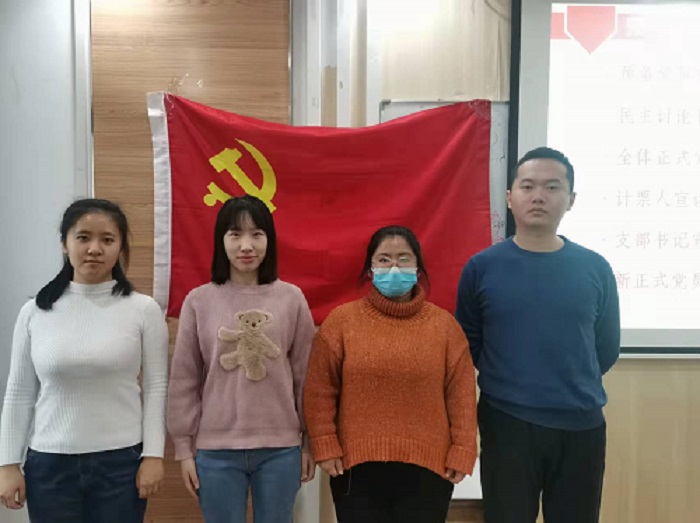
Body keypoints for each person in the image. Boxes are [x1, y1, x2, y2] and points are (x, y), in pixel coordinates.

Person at [456, 147, 621, 523]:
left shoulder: (595, 268)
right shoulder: (481, 268)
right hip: (507, 422)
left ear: (571, 199)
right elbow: (470, 342)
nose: (539, 196)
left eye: (552, 187)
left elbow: (606, 346)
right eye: (527, 186)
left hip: (581, 425)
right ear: (509, 197)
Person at [0, 198, 169, 522]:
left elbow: (157, 387)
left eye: (107, 239)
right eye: (83, 237)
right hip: (49, 466)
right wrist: (7, 464)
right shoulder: (35, 311)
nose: (94, 249)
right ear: (65, 243)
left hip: (121, 465)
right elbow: (19, 392)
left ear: (120, 247)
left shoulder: (143, 309)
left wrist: (153, 455)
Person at [304, 225, 477, 523]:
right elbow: (320, 389)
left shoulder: (445, 327)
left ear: (418, 268)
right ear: (370, 269)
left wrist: (463, 449)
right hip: (355, 468)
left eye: (404, 259)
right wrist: (324, 443)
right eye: (384, 259)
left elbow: (461, 393)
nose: (394, 267)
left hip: (428, 469)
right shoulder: (341, 322)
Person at [167, 195, 316, 523]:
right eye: (235, 234)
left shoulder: (291, 299)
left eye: (256, 234)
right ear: (221, 241)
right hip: (215, 450)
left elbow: (306, 376)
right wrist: (184, 449)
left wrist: (309, 443)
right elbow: (184, 379)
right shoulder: (199, 301)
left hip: (280, 448)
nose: (246, 246)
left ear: (269, 240)